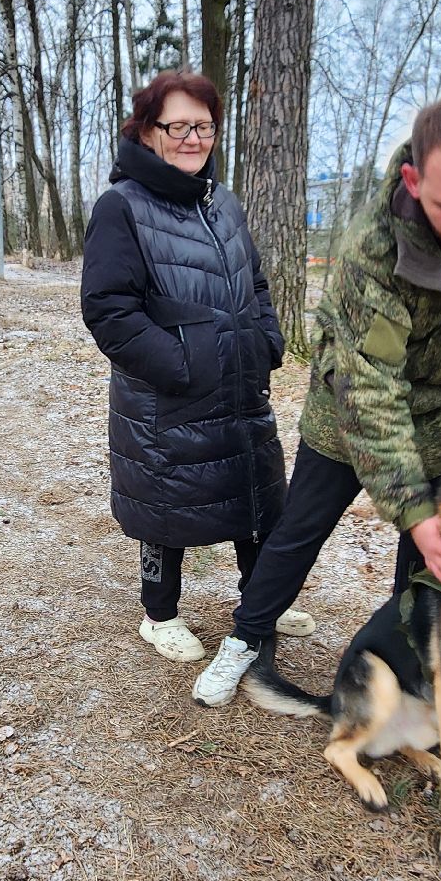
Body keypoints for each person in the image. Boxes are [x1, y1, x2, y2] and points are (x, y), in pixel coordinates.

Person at [192, 93, 441, 706]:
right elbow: (370, 388)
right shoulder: (373, 248)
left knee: (427, 556)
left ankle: (416, 660)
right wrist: (411, 508)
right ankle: (247, 634)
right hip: (350, 415)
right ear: (413, 180)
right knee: (301, 529)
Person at [81, 71, 314, 664]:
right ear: (148, 131)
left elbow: (255, 282)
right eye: (179, 126)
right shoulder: (121, 207)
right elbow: (108, 309)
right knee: (166, 501)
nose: (193, 138)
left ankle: (263, 603)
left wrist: (266, 341)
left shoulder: (223, 202)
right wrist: (182, 365)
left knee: (255, 496)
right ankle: (159, 615)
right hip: (169, 394)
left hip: (239, 386)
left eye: (204, 126)